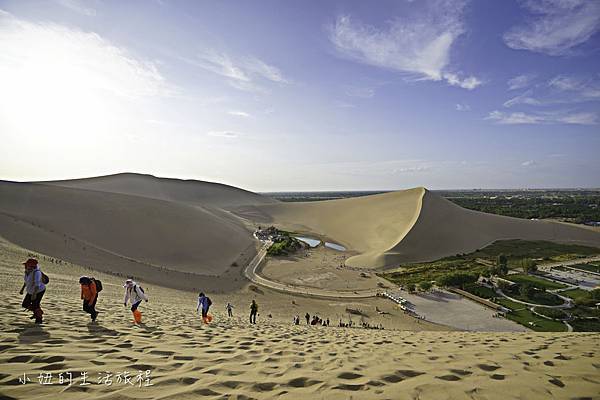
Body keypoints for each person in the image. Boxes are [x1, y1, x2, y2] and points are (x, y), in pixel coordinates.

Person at [20, 259, 46, 324]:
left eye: (27, 265)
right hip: (31, 291)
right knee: (25, 304)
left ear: (32, 266)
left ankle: (39, 320)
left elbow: (37, 284)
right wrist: (22, 289)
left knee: (35, 304)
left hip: (39, 291)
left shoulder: (37, 272)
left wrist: (34, 294)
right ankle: (37, 312)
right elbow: (26, 281)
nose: (25, 266)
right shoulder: (27, 272)